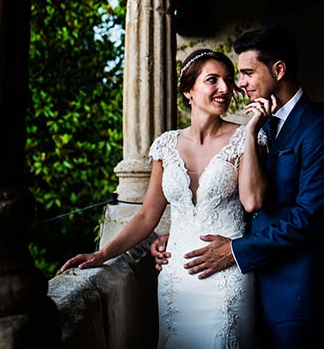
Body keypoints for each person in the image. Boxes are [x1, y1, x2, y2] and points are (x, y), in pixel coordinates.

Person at [59, 48, 275, 348]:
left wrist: (251, 132)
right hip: (176, 277)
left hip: (227, 273)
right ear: (188, 90)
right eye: (212, 80)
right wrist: (102, 255)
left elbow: (253, 202)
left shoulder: (246, 138)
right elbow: (148, 215)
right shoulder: (165, 145)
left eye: (228, 80)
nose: (225, 89)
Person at [152, 24, 324, 349]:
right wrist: (179, 232)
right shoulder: (263, 124)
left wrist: (235, 250)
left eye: (246, 74)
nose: (238, 84)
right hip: (249, 285)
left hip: (293, 295)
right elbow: (240, 197)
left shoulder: (318, 129)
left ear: (279, 69)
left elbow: (310, 217)